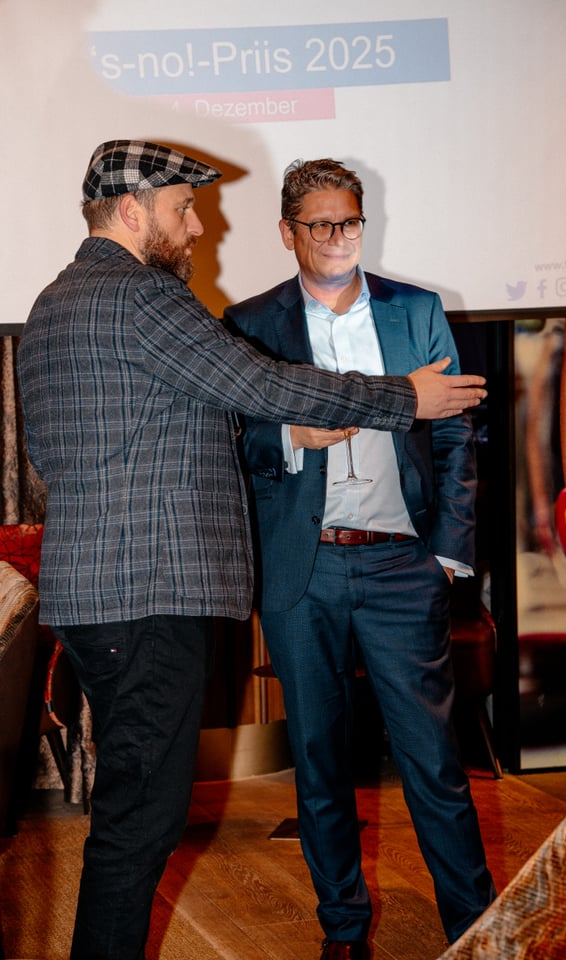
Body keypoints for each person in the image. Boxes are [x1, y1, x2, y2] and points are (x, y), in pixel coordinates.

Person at [16, 140, 487, 960]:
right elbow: (262, 387)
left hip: (94, 593)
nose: (198, 227)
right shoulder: (142, 295)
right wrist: (402, 397)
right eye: (182, 209)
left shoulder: (53, 301)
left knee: (133, 813)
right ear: (132, 211)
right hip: (149, 589)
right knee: (140, 823)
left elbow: (63, 453)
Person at [224, 158, 496, 959]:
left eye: (350, 221)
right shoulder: (250, 322)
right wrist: (290, 437)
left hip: (401, 568)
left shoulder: (416, 311)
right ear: (288, 233)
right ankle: (343, 930)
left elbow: (456, 436)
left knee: (434, 763)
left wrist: (446, 556)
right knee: (317, 761)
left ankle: (478, 931)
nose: (339, 237)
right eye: (320, 224)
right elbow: (234, 443)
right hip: (302, 570)